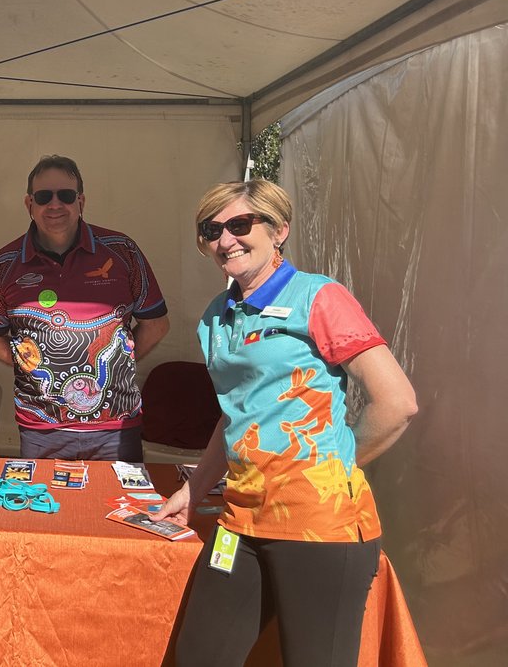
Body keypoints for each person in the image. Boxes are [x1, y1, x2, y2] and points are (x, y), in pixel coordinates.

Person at [153, 179, 418, 667]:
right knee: (198, 656)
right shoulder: (216, 315)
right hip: (240, 520)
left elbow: (396, 402)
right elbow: (235, 412)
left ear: (279, 231)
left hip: (319, 527)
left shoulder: (319, 297)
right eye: (213, 229)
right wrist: (195, 489)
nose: (226, 239)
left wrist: (330, 467)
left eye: (239, 224)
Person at [0, 154, 170, 460]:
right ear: (29, 204)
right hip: (41, 429)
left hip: (116, 428)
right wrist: (34, 369)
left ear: (81, 201)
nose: (55, 205)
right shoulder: (2, 265)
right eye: (44, 197)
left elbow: (157, 324)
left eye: (65, 195)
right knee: (45, 508)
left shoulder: (122, 251)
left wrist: (121, 360)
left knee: (118, 507)